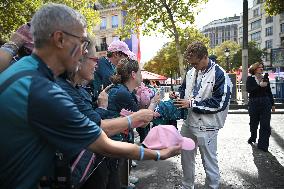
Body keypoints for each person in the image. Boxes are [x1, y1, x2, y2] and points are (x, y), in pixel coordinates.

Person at [0, 3, 180, 189]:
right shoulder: (44, 92)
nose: (85, 52)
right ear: (60, 39)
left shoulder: (21, 69)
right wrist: (159, 154)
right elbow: (104, 144)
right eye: (83, 42)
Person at [174, 41, 231, 189]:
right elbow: (184, 88)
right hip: (189, 121)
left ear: (205, 56)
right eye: (191, 64)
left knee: (209, 161)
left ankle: (212, 187)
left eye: (196, 63)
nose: (193, 66)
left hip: (208, 126)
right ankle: (187, 186)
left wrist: (191, 104)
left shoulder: (220, 74)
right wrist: (178, 96)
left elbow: (219, 104)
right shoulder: (191, 71)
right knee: (186, 157)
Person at [246, 62, 275, 152]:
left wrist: (273, 104)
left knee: (265, 124)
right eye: (259, 67)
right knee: (253, 123)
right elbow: (249, 90)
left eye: (262, 67)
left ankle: (263, 145)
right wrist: (259, 86)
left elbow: (269, 92)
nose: (261, 69)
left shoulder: (265, 78)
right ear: (255, 69)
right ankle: (253, 136)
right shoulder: (250, 79)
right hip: (254, 102)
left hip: (265, 102)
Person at [92, 40, 132, 104]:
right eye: (125, 56)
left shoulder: (111, 65)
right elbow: (111, 83)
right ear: (116, 54)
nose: (127, 59)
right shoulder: (102, 63)